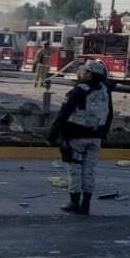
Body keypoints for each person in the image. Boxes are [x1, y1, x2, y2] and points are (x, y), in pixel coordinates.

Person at [47, 60, 113, 215]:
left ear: (90, 74)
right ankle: (86, 204)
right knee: (89, 170)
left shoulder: (79, 90)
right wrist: (103, 134)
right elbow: (109, 113)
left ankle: (74, 202)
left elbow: (64, 114)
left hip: (76, 137)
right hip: (96, 137)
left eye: (85, 71)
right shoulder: (105, 90)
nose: (82, 73)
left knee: (75, 169)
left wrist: (52, 135)